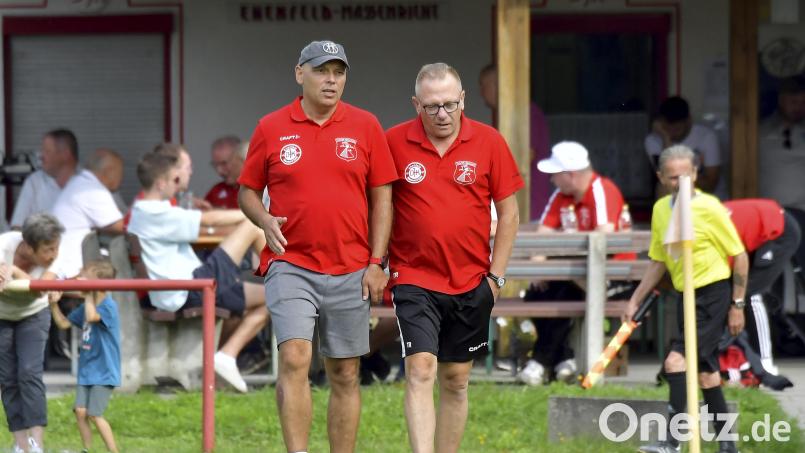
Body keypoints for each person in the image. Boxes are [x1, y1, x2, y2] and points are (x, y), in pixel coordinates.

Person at [238, 40, 397, 452]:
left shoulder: (365, 126)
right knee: (294, 357)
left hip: (350, 266)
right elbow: (248, 192)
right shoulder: (271, 127)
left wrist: (377, 261)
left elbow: (383, 197)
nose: (331, 80)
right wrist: (264, 219)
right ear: (299, 74)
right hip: (290, 261)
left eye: (338, 72)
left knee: (344, 372)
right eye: (322, 71)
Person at [386, 62, 523, 453]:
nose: (442, 114)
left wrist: (496, 278)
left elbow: (509, 213)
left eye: (449, 104)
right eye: (431, 106)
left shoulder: (489, 141)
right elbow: (378, 206)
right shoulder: (394, 142)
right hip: (414, 277)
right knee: (420, 368)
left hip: (471, 280)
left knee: (456, 380)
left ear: (463, 100)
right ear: (416, 104)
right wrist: (378, 262)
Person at [623, 145, 747, 453]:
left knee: (675, 362)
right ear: (661, 177)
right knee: (706, 374)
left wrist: (737, 304)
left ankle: (672, 442)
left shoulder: (710, 208)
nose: (681, 182)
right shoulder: (661, 209)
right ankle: (728, 445)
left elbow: (740, 256)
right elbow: (658, 260)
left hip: (714, 294)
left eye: (687, 175)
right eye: (673, 177)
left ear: (695, 173)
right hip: (685, 295)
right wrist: (635, 298)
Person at [128, 152, 269, 393]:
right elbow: (209, 219)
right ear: (162, 183)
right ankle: (288, 271)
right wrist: (257, 210)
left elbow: (201, 222)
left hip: (188, 286)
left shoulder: (145, 211)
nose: (181, 182)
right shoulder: (153, 212)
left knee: (276, 294)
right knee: (253, 224)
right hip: (189, 289)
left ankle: (225, 357)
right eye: (176, 179)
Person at [518, 141, 629, 385]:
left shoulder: (602, 189)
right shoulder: (561, 195)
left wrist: (556, 262)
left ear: (571, 174)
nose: (551, 180)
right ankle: (562, 360)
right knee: (536, 294)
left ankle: (540, 362)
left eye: (555, 174)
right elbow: (543, 234)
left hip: (615, 275)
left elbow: (604, 240)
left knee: (561, 296)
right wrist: (539, 270)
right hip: (573, 273)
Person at [0, 213, 64, 453]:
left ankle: (37, 445)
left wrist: (14, 271)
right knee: (8, 379)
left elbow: (41, 290)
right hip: (2, 317)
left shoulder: (53, 256)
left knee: (29, 373)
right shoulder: (3, 245)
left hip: (33, 315)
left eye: (56, 247)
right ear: (28, 246)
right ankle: (21, 445)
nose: (54, 254)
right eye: (48, 249)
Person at [723, 198, 801, 375]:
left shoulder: (715, 240)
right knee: (732, 295)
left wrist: (737, 303)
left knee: (750, 294)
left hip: (780, 230)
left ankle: (765, 365)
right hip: (754, 229)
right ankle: (737, 360)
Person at [49, 260, 120, 453]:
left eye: (84, 277)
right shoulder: (86, 306)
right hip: (87, 369)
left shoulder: (108, 306)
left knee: (95, 414)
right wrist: (54, 305)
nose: (79, 279)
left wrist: (88, 294)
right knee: (80, 411)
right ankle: (87, 450)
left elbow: (92, 317)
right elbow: (64, 324)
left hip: (104, 370)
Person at [478, 63, 551, 220]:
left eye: (483, 86)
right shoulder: (503, 116)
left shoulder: (526, 112)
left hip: (529, 204)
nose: (481, 93)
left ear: (496, 85)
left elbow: (525, 156)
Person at [51, 148, 125, 278]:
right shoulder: (92, 190)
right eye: (121, 173)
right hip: (70, 271)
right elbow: (121, 226)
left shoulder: (80, 183)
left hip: (62, 265)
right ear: (109, 171)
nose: (122, 179)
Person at [758, 76, 805, 267]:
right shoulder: (758, 132)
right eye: (794, 102)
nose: (799, 107)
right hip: (768, 215)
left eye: (803, 102)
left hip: (802, 213)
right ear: (781, 100)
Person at [645, 96, 723, 198]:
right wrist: (665, 138)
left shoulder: (706, 137)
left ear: (689, 121)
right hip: (673, 201)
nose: (672, 133)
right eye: (668, 128)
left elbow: (710, 184)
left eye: (677, 129)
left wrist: (675, 178)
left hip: (708, 198)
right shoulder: (654, 140)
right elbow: (665, 179)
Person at [11, 129, 79, 229]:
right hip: (41, 244)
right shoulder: (34, 182)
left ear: (65, 154)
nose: (41, 156)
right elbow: (17, 226)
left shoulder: (88, 183)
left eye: (47, 151)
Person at [205, 136, 243, 209]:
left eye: (224, 163)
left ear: (241, 160)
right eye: (215, 165)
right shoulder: (216, 191)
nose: (219, 171)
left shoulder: (259, 190)